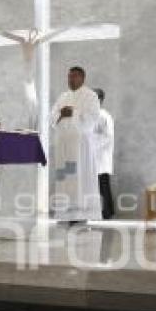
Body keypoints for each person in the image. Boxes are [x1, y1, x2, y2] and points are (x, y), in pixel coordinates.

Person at [50, 67, 102, 222]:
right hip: (63, 145)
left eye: (74, 77)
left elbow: (93, 117)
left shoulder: (91, 96)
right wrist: (60, 114)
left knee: (77, 178)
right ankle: (64, 213)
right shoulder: (63, 96)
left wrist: (73, 113)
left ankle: (80, 214)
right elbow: (52, 116)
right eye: (69, 77)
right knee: (64, 177)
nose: (70, 80)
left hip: (79, 146)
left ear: (82, 78)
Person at [94, 88, 115, 219]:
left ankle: (107, 212)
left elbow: (108, 136)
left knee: (103, 185)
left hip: (100, 155)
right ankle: (106, 210)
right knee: (99, 185)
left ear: (100, 100)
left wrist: (93, 145)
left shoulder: (103, 116)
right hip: (95, 155)